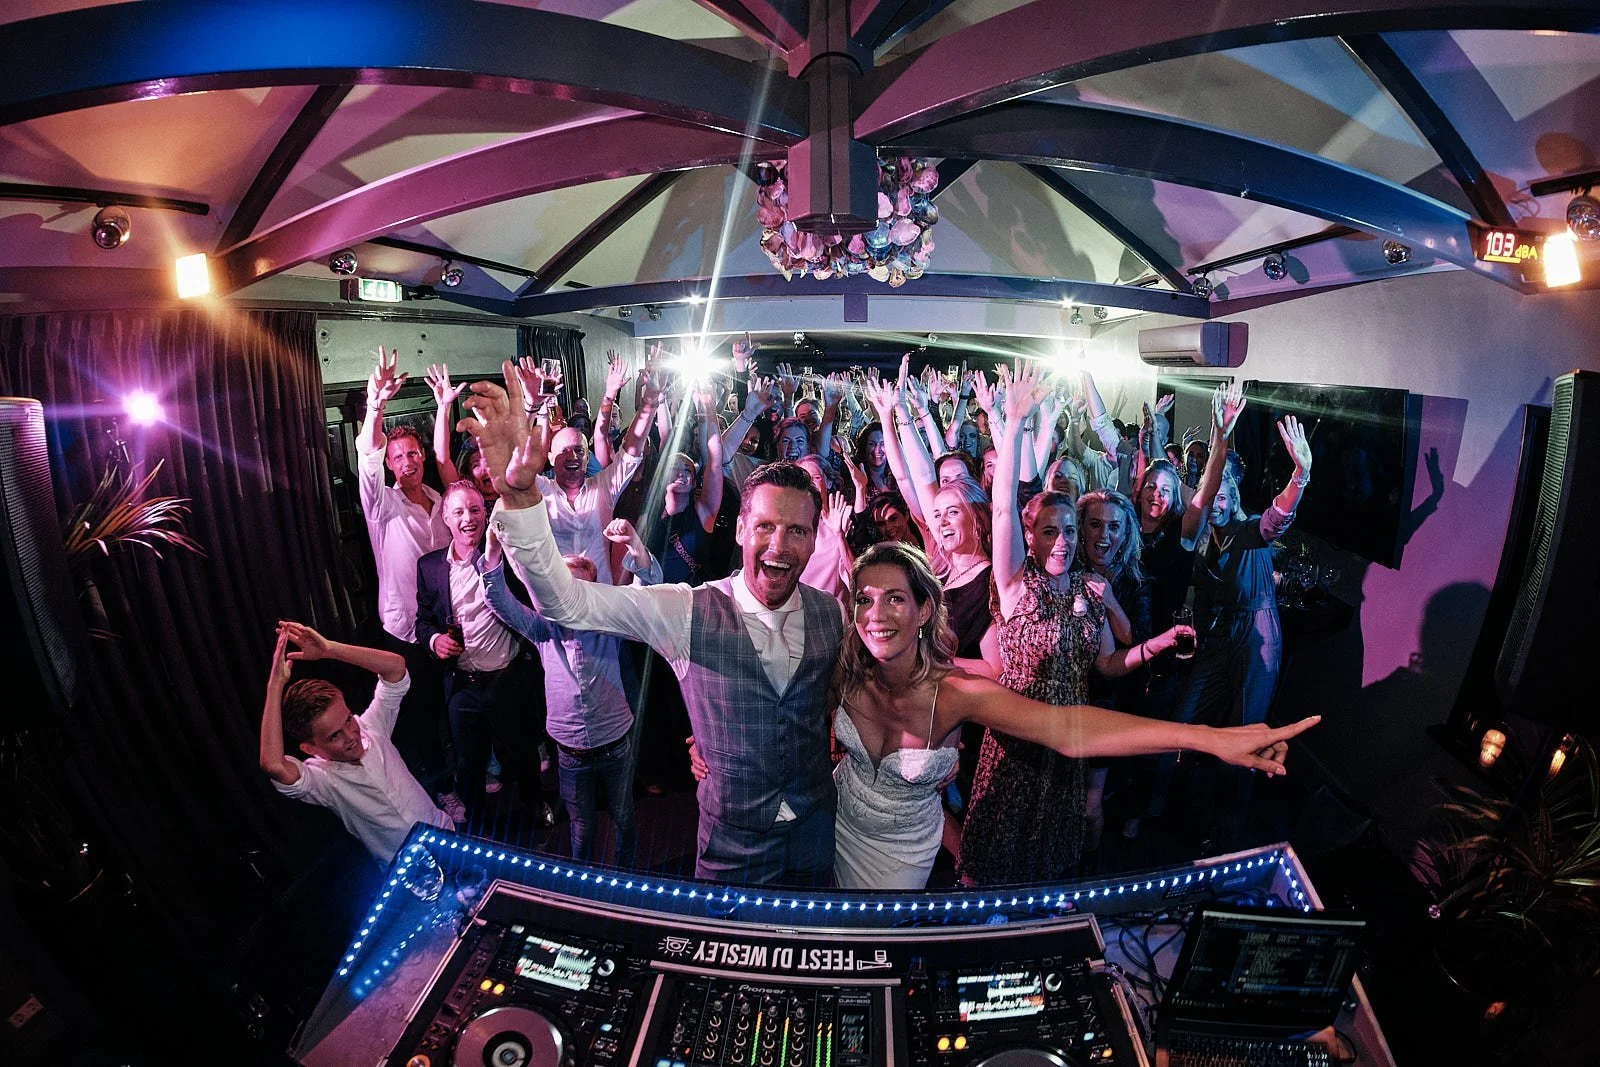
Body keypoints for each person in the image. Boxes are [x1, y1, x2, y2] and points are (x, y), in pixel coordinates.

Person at [463, 364, 842, 885]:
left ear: (815, 537)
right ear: (739, 532)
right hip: (732, 848)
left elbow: (838, 703)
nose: (779, 546)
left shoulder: (831, 614)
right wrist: (521, 497)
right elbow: (566, 604)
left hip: (817, 834)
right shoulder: (688, 609)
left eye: (797, 531)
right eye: (765, 527)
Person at [827, 541, 1318, 890]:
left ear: (923, 612)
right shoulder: (846, 669)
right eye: (865, 599)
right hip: (836, 833)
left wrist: (1207, 737)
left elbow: (1069, 729)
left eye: (895, 598)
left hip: (904, 865)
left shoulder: (954, 692)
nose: (876, 614)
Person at [959, 366, 1193, 885]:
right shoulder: (1017, 585)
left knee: (1051, 855)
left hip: (1070, 738)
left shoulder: (1092, 588)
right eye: (1050, 531)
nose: (1062, 541)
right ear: (1031, 537)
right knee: (994, 853)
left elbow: (1108, 664)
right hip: (1019, 735)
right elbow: (1002, 510)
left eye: (1069, 530)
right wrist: (1013, 423)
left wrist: (1156, 643)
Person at [478, 520, 662, 866]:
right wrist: (491, 548)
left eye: (580, 588)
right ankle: (583, 885)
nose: (571, 597)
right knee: (582, 827)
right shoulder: (543, 629)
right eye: (565, 588)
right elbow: (498, 599)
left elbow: (647, 592)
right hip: (571, 753)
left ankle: (627, 878)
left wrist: (635, 544)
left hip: (615, 745)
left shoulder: (609, 621)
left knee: (624, 817)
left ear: (592, 591)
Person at [1167, 414, 1313, 850]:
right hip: (1219, 635)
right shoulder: (1203, 540)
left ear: (1235, 497)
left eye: (1224, 495)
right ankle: (1184, 805)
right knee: (1185, 714)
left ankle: (1229, 831)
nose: (1217, 502)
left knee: (1247, 729)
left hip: (1258, 634)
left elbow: (1276, 519)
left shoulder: (1250, 531)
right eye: (1212, 495)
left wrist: (1300, 476)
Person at [356, 347, 457, 816]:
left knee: (449, 705)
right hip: (405, 633)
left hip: (445, 627)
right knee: (419, 716)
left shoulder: (442, 501)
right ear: (392, 465)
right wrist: (376, 406)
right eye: (398, 456)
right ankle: (439, 789)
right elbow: (368, 458)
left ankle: (464, 771)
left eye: (412, 452)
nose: (407, 460)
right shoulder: (383, 506)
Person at [259, 621, 452, 865]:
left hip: (447, 836)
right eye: (334, 736)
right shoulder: (323, 780)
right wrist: (275, 685)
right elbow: (273, 764)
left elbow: (396, 668)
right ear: (310, 749)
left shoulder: (372, 727)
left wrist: (329, 649)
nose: (351, 735)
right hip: (405, 868)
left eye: (348, 719)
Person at [415, 480, 549, 830]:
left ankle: (537, 809)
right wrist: (434, 641)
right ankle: (476, 828)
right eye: (458, 511)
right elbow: (423, 621)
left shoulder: (505, 558)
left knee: (522, 753)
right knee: (468, 764)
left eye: (475, 509)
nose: (468, 518)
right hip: (463, 686)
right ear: (445, 518)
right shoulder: (429, 567)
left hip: (508, 679)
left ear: (484, 514)